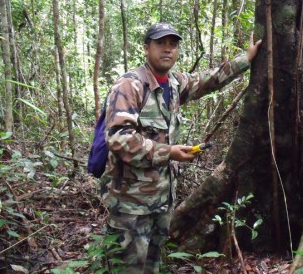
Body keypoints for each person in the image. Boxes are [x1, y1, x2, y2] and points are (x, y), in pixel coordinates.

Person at [100, 22, 262, 273]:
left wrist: (247, 58)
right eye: (160, 44)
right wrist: (169, 152)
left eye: (172, 45)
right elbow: (119, 138)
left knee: (152, 266)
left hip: (162, 201)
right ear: (146, 48)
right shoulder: (129, 85)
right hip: (130, 205)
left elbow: (210, 79)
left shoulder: (174, 84)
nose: (167, 50)